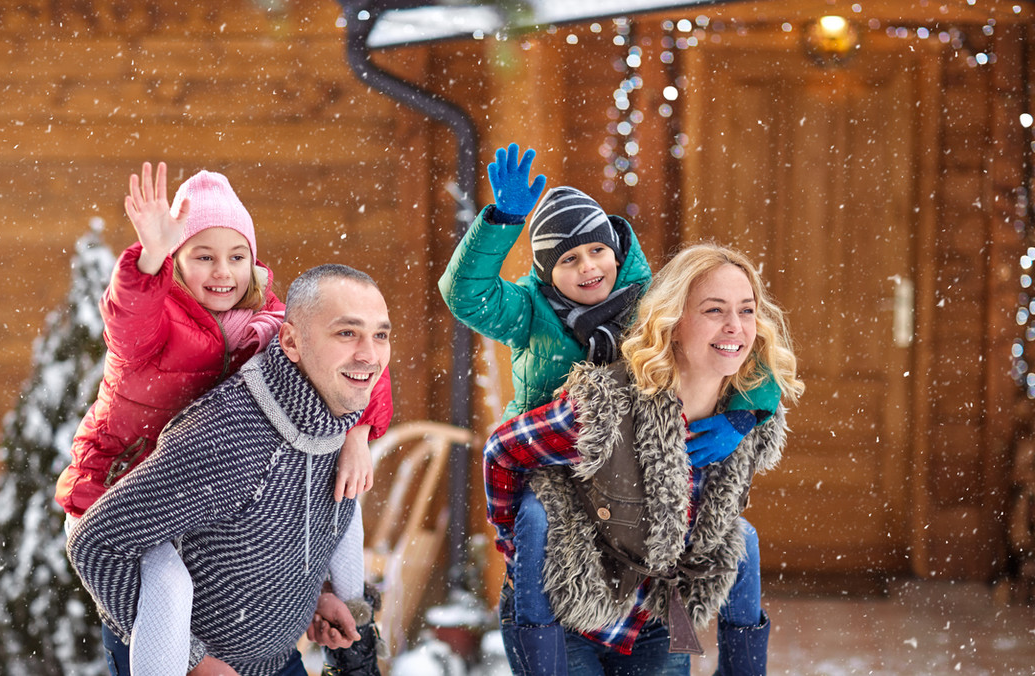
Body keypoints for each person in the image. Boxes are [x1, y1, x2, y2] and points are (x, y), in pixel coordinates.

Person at [439, 144, 780, 675]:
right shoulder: (532, 313)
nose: (588, 267)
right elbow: (468, 296)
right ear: (547, 272)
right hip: (559, 470)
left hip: (652, 586)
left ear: (618, 253)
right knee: (536, 519)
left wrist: (744, 417)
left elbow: (754, 363)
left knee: (741, 541)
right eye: (568, 259)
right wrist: (501, 221)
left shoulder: (648, 307)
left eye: (597, 250)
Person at [54, 163, 391, 676]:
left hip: (262, 639)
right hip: (117, 476)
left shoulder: (272, 327)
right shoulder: (161, 320)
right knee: (166, 583)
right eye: (203, 257)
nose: (222, 272)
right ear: (177, 261)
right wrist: (149, 259)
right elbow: (128, 318)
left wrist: (359, 432)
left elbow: (354, 357)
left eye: (237, 257)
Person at [484, 243, 804, 676]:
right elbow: (502, 451)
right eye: (714, 310)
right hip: (564, 612)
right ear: (672, 324)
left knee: (743, 538)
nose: (735, 327)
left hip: (651, 618)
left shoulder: (746, 417)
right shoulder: (606, 408)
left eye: (746, 311)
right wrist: (515, 549)